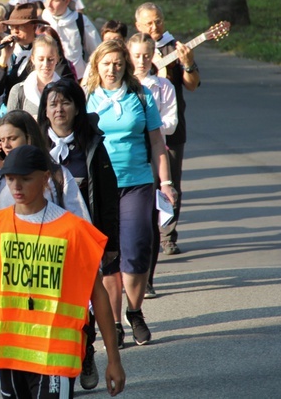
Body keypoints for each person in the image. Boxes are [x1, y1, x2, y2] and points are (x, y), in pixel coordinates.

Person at [0, 145, 126, 398]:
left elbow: (98, 295)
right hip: (8, 352)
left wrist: (114, 359)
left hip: (56, 354)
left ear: (45, 178)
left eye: (25, 179)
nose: (16, 186)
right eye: (10, 178)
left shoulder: (74, 231)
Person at [83, 40, 177, 346]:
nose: (112, 69)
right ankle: (113, 322)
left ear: (126, 66)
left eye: (118, 64)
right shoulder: (87, 98)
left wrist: (165, 183)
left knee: (137, 248)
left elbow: (156, 142)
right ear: (96, 66)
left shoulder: (141, 95)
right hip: (102, 186)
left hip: (137, 181)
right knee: (108, 256)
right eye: (106, 63)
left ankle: (134, 312)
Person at [38, 78, 120, 385]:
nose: (59, 109)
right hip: (46, 242)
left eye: (66, 102)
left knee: (85, 302)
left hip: (84, 240)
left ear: (77, 108)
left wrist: (110, 241)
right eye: (53, 103)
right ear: (45, 110)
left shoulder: (93, 146)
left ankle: (86, 352)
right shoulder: (35, 147)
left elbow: (109, 198)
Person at [135, 2, 200, 256]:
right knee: (142, 182)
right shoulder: (134, 49)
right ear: (138, 25)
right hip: (137, 129)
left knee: (170, 181)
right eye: (149, 23)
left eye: (159, 21)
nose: (155, 27)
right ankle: (143, 232)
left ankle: (167, 235)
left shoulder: (176, 47)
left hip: (172, 127)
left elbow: (192, 85)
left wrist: (188, 64)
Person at [0, 108, 89, 219]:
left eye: (12, 138)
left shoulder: (57, 174)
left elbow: (79, 219)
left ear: (29, 138)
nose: (6, 145)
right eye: (2, 140)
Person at [128, 33, 178, 298]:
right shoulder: (121, 85)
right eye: (136, 55)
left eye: (146, 55)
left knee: (150, 219)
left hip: (154, 156)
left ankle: (147, 277)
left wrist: (150, 124)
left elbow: (171, 123)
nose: (141, 61)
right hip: (126, 158)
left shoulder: (162, 86)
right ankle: (126, 273)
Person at [0, 3, 47, 110]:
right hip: (11, 112)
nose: (15, 31)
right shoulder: (5, 50)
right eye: (12, 27)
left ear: (34, 27)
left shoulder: (45, 50)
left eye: (20, 26)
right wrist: (3, 60)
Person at [42, 0, 101, 79]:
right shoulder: (41, 20)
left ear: (66, 1)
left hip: (76, 79)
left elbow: (98, 51)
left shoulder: (80, 21)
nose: (49, 4)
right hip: (48, 79)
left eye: (54, 1)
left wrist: (88, 76)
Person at [7, 34, 62, 118]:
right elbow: (11, 126)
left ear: (57, 59)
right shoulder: (19, 91)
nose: (46, 64)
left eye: (51, 59)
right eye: (41, 59)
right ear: (32, 59)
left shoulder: (66, 90)